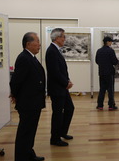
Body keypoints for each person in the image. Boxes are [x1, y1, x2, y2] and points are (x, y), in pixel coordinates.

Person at [9, 32, 46, 161]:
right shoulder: (24, 58)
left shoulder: (31, 57)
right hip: (28, 102)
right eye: (37, 41)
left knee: (30, 131)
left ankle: (29, 154)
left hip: (33, 101)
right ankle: (21, 157)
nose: (39, 44)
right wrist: (15, 94)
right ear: (28, 44)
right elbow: (15, 81)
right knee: (25, 132)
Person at [45, 28, 75, 147]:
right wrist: (65, 83)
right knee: (57, 113)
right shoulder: (51, 51)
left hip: (62, 87)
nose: (65, 39)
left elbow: (61, 70)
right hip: (57, 88)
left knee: (69, 109)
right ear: (57, 38)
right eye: (63, 37)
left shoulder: (56, 50)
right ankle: (55, 138)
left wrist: (67, 81)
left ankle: (62, 132)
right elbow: (54, 72)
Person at [95, 36, 119, 110]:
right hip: (109, 73)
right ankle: (111, 105)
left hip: (102, 72)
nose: (111, 43)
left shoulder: (99, 50)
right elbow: (115, 61)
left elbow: (97, 61)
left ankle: (100, 105)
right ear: (107, 42)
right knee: (110, 90)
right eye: (110, 41)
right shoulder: (111, 51)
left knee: (102, 89)